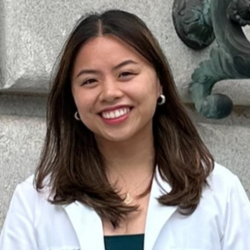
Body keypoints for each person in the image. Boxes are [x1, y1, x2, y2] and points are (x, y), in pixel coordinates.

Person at [0, 9, 250, 250]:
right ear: (72, 98)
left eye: (126, 74)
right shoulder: (34, 203)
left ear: (159, 82)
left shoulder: (220, 192)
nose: (109, 93)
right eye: (89, 81)